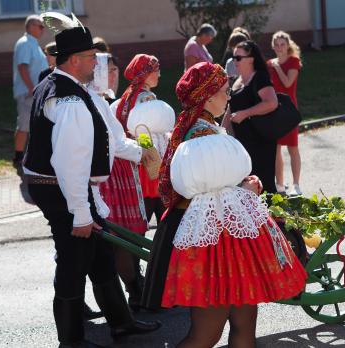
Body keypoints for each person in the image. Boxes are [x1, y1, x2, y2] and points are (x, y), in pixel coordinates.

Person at [142, 62, 307, 347]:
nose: (228, 96)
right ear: (207, 97)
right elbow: (207, 191)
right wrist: (243, 188)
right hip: (214, 243)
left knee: (241, 325)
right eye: (223, 92)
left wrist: (242, 186)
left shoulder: (201, 130)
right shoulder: (200, 137)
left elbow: (215, 185)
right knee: (207, 334)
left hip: (226, 239)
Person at [23, 24, 160, 347]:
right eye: (90, 58)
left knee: (99, 256)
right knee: (73, 260)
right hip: (64, 190)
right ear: (73, 61)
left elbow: (108, 139)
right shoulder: (69, 101)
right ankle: (71, 339)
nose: (96, 64)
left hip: (63, 186)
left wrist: (141, 153)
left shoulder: (67, 86)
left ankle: (121, 322)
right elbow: (71, 162)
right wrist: (82, 213)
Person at [99, 54, 160, 311]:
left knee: (132, 232)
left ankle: (136, 286)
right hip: (144, 167)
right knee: (146, 229)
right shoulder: (146, 99)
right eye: (155, 70)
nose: (159, 75)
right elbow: (147, 136)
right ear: (145, 73)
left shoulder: (121, 99)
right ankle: (145, 288)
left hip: (127, 169)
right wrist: (155, 158)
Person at [222, 40, 279, 193]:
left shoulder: (259, 78)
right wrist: (220, 131)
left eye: (238, 58)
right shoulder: (237, 80)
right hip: (243, 142)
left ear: (251, 59)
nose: (235, 61)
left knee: (263, 185)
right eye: (233, 57)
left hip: (260, 141)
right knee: (246, 184)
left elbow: (272, 103)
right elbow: (231, 108)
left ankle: (273, 216)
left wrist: (245, 113)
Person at [267, 31, 303, 196]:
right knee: (276, 148)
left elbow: (288, 83)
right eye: (277, 44)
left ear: (288, 45)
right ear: (273, 46)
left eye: (283, 44)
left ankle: (296, 184)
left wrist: (277, 67)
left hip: (289, 109)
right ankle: (280, 185)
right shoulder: (269, 64)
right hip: (274, 109)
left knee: (293, 147)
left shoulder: (293, 61)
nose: (280, 48)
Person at [12, 15, 48, 168]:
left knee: (33, 126)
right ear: (31, 26)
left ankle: (29, 156)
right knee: (25, 125)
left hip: (35, 92)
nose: (43, 29)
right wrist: (31, 88)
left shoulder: (33, 44)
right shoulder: (25, 43)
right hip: (28, 92)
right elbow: (22, 66)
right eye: (40, 26)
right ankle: (18, 158)